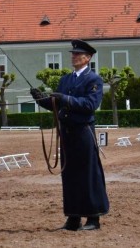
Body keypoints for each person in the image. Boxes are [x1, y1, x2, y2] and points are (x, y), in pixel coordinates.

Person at [31, 39, 109, 231]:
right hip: (66, 134)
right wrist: (40, 98)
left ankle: (93, 218)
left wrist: (65, 98)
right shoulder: (65, 80)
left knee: (88, 175)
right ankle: (73, 218)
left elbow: (90, 105)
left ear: (88, 57)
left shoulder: (94, 80)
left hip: (83, 133)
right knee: (70, 176)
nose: (73, 56)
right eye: (73, 53)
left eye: (77, 54)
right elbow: (57, 104)